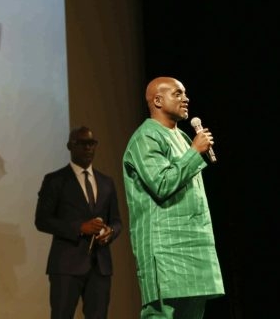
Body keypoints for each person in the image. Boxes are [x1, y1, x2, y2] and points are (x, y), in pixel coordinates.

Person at [122, 76, 224, 319]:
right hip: (166, 250)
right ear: (157, 100)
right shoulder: (146, 138)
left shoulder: (182, 137)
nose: (185, 98)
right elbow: (162, 183)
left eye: (185, 93)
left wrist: (192, 150)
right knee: (162, 314)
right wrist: (194, 152)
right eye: (177, 94)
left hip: (194, 245)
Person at [35, 126, 122, 319]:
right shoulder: (55, 180)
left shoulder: (106, 182)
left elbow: (117, 221)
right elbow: (42, 221)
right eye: (82, 143)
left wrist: (110, 231)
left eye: (92, 143)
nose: (88, 148)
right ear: (69, 146)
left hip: (100, 266)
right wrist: (79, 228)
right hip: (66, 265)